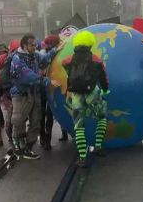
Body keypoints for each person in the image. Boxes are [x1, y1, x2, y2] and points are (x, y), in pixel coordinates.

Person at [6, 33, 59, 160]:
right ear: (25, 45)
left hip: (35, 93)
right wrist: (47, 81)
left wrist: (55, 50)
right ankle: (18, 144)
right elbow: (27, 75)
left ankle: (28, 147)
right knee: (19, 120)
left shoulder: (35, 55)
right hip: (21, 94)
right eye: (32, 45)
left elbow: (45, 59)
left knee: (36, 120)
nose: (35, 47)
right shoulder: (17, 59)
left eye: (36, 45)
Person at [62, 31, 110, 167]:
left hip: (76, 95)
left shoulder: (68, 60)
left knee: (79, 127)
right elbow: (103, 78)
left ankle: (82, 158)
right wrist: (105, 89)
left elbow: (65, 67)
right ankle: (98, 146)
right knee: (101, 117)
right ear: (90, 44)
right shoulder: (96, 60)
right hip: (92, 93)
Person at [39, 35, 61, 151]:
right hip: (44, 87)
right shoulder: (43, 55)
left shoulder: (57, 54)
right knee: (43, 114)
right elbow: (40, 71)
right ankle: (44, 137)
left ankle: (46, 139)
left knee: (49, 114)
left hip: (51, 86)